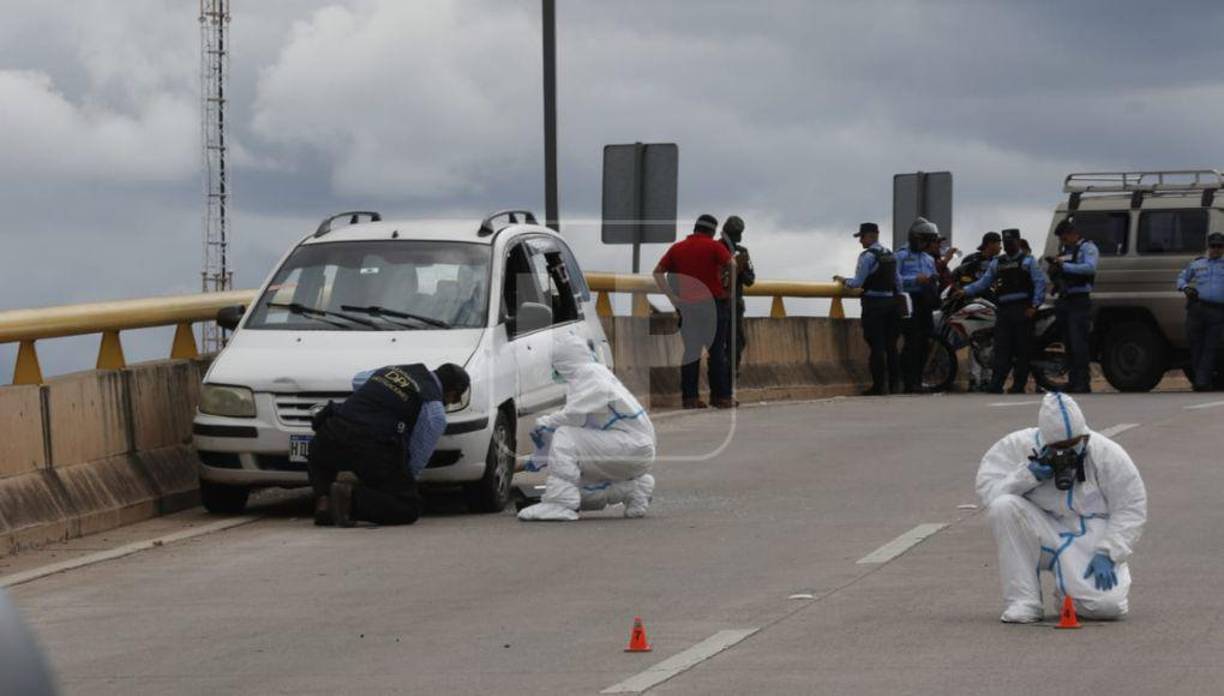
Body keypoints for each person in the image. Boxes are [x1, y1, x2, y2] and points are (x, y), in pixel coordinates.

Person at [977, 392, 1146, 623]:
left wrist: (1109, 550)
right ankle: (1023, 600)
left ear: (1083, 436)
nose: (1065, 453)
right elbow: (989, 495)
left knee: (1106, 607)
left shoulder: (1107, 453)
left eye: (1072, 446)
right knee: (1004, 506)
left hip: (1090, 536)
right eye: (1058, 447)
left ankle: (1069, 592)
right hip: (1040, 528)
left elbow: (1131, 507)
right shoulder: (1016, 447)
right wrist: (1026, 476)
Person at [308, 363, 471, 527]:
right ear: (452, 392)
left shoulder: (392, 370)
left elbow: (358, 380)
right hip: (369, 447)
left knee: (321, 457)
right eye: (454, 399)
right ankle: (348, 501)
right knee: (408, 507)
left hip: (330, 434)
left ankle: (324, 499)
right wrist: (402, 485)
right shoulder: (434, 409)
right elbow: (415, 460)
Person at [517, 332, 656, 521]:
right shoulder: (594, 373)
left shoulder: (588, 374)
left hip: (630, 445)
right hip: (633, 449)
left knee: (564, 436)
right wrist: (542, 454)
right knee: (579, 486)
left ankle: (560, 504)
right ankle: (635, 490)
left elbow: (573, 418)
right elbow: (586, 424)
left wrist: (544, 424)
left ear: (563, 361)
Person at [654, 214, 737, 409]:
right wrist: (729, 292)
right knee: (717, 352)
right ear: (712, 231)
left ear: (695, 228)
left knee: (691, 352)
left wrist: (673, 298)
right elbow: (732, 264)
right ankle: (721, 397)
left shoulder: (677, 248)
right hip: (713, 306)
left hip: (688, 306)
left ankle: (690, 398)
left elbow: (657, 272)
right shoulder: (714, 247)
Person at [959, 228, 1046, 393]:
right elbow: (983, 282)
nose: (1007, 246)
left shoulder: (1028, 261)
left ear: (1018, 242)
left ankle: (1018, 385)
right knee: (1002, 350)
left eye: (1010, 242)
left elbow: (1039, 284)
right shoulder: (997, 263)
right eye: (1005, 243)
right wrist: (966, 290)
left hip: (1023, 310)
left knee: (1022, 350)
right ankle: (996, 384)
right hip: (1004, 311)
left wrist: (1034, 306)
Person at [836, 222, 903, 395]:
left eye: (861, 237)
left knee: (877, 347)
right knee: (891, 346)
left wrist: (843, 281)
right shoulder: (890, 254)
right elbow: (898, 282)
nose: (860, 242)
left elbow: (857, 282)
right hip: (892, 304)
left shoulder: (867, 256)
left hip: (874, 305)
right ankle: (895, 385)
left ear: (868, 236)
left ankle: (878, 386)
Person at [1049, 218, 1099, 393]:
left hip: (1079, 300)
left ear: (1072, 234)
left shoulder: (1088, 247)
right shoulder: (1065, 250)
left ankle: (1083, 382)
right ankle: (1073, 380)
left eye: (1064, 238)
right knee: (1068, 343)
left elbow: (1089, 268)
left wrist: (1065, 266)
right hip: (1065, 300)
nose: (1062, 242)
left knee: (1079, 343)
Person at [896, 217, 940, 393]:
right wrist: (914, 279)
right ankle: (908, 381)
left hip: (925, 302)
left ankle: (918, 379)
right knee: (912, 342)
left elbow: (933, 276)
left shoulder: (928, 259)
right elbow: (895, 280)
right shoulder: (901, 256)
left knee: (926, 342)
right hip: (909, 300)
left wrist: (932, 280)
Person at [1177, 231, 1224, 391]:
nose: (1216, 249)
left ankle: (1201, 382)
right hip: (1197, 309)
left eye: (1219, 246)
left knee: (1210, 347)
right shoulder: (1197, 264)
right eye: (1213, 246)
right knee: (1195, 345)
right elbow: (1182, 278)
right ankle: (1201, 379)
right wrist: (1185, 288)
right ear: (1208, 247)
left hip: (1217, 311)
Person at [721, 215, 756, 377]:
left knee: (737, 341)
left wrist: (740, 269)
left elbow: (750, 280)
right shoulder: (716, 249)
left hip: (735, 305)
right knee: (720, 343)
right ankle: (723, 376)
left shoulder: (742, 252)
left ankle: (732, 372)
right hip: (719, 303)